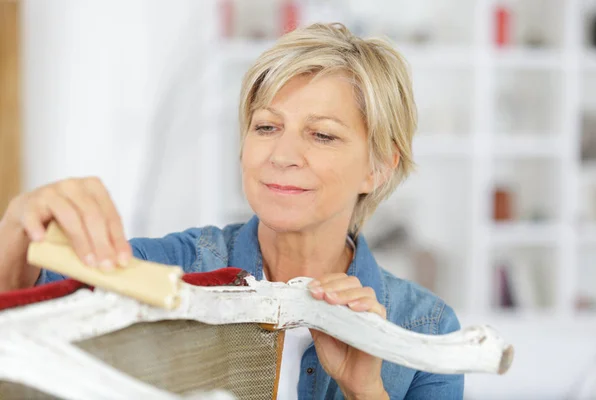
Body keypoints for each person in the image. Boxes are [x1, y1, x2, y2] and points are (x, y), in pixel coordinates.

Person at [0, 22, 463, 399]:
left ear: (378, 168)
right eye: (266, 126)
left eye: (321, 134)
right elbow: (17, 318)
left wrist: (364, 391)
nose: (281, 154)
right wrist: (17, 230)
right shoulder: (167, 268)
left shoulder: (427, 330)